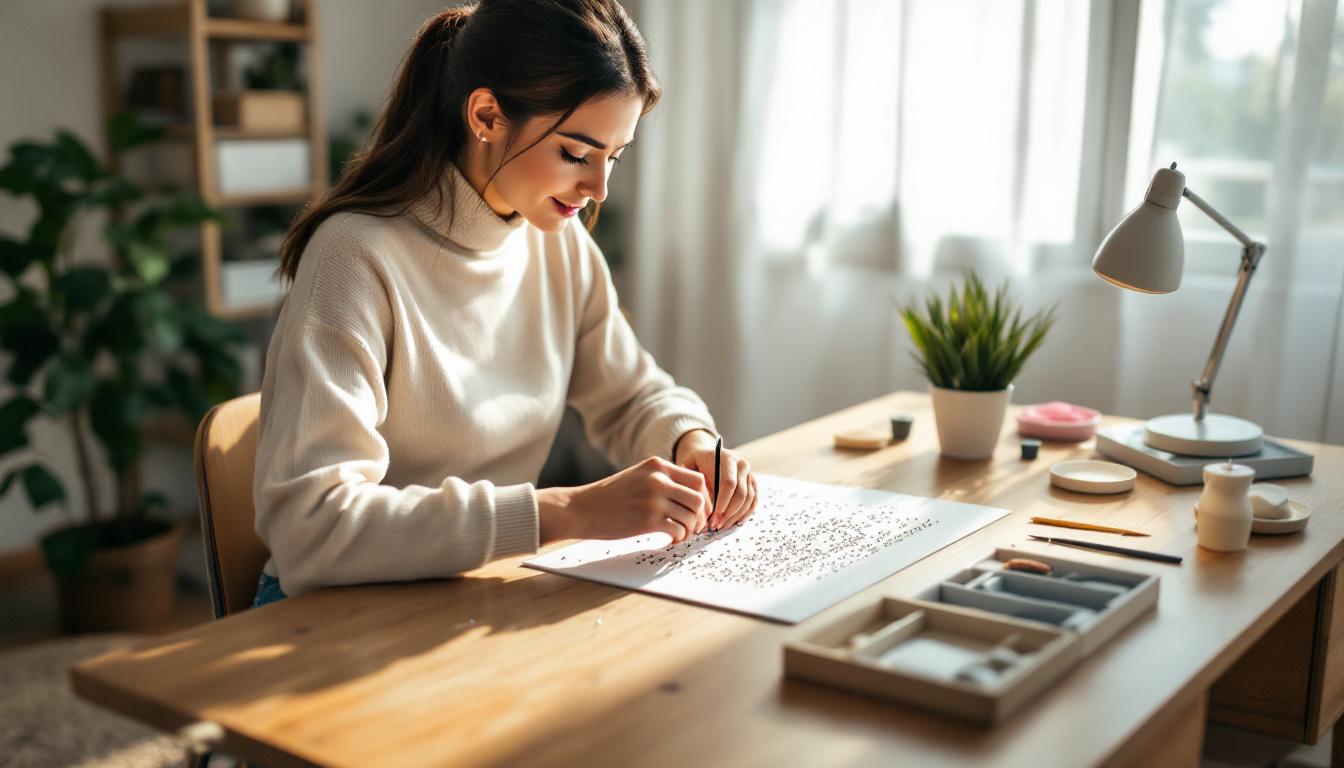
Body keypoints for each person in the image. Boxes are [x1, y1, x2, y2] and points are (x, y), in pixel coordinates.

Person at [251, 0, 759, 607]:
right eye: (576, 154)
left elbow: (631, 394)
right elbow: (312, 526)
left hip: (473, 594)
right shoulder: (355, 257)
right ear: (487, 115)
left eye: (613, 157)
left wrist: (690, 442)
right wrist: (564, 511)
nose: (598, 188)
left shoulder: (558, 246)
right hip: (333, 614)